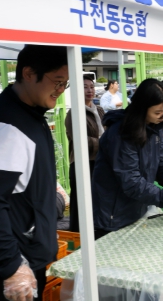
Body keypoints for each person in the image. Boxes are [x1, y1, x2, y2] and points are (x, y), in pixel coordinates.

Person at [0, 45, 69, 301]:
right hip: (10, 264)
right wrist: (12, 267)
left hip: (27, 252)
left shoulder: (30, 114)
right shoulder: (5, 127)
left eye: (65, 84)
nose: (61, 90)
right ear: (29, 73)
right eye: (57, 82)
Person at [92, 78, 163, 238]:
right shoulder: (121, 134)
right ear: (142, 108)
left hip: (137, 209)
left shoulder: (155, 128)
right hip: (113, 216)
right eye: (157, 112)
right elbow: (131, 181)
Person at [65, 74, 105, 232]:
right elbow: (79, 139)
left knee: (98, 200)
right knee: (80, 202)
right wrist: (102, 142)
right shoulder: (74, 113)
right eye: (85, 87)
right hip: (82, 163)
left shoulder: (99, 110)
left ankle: (96, 234)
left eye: (92, 87)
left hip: (100, 161)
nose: (90, 90)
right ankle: (78, 236)